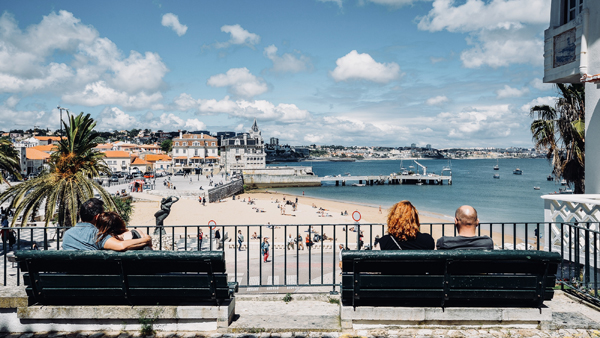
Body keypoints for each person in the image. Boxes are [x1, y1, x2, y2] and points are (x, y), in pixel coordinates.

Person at [62, 198, 151, 251]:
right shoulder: (96, 235)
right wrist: (146, 239)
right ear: (97, 217)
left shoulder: (67, 234)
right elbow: (121, 246)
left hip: (72, 280)